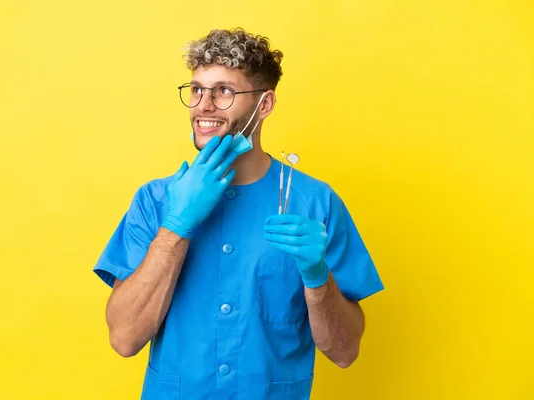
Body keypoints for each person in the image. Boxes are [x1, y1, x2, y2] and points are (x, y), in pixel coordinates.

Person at [93, 27, 384, 400]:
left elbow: (345, 352)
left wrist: (317, 278)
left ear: (264, 105)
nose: (203, 105)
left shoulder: (315, 203)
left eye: (224, 91)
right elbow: (124, 338)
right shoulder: (155, 201)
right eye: (197, 89)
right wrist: (175, 227)